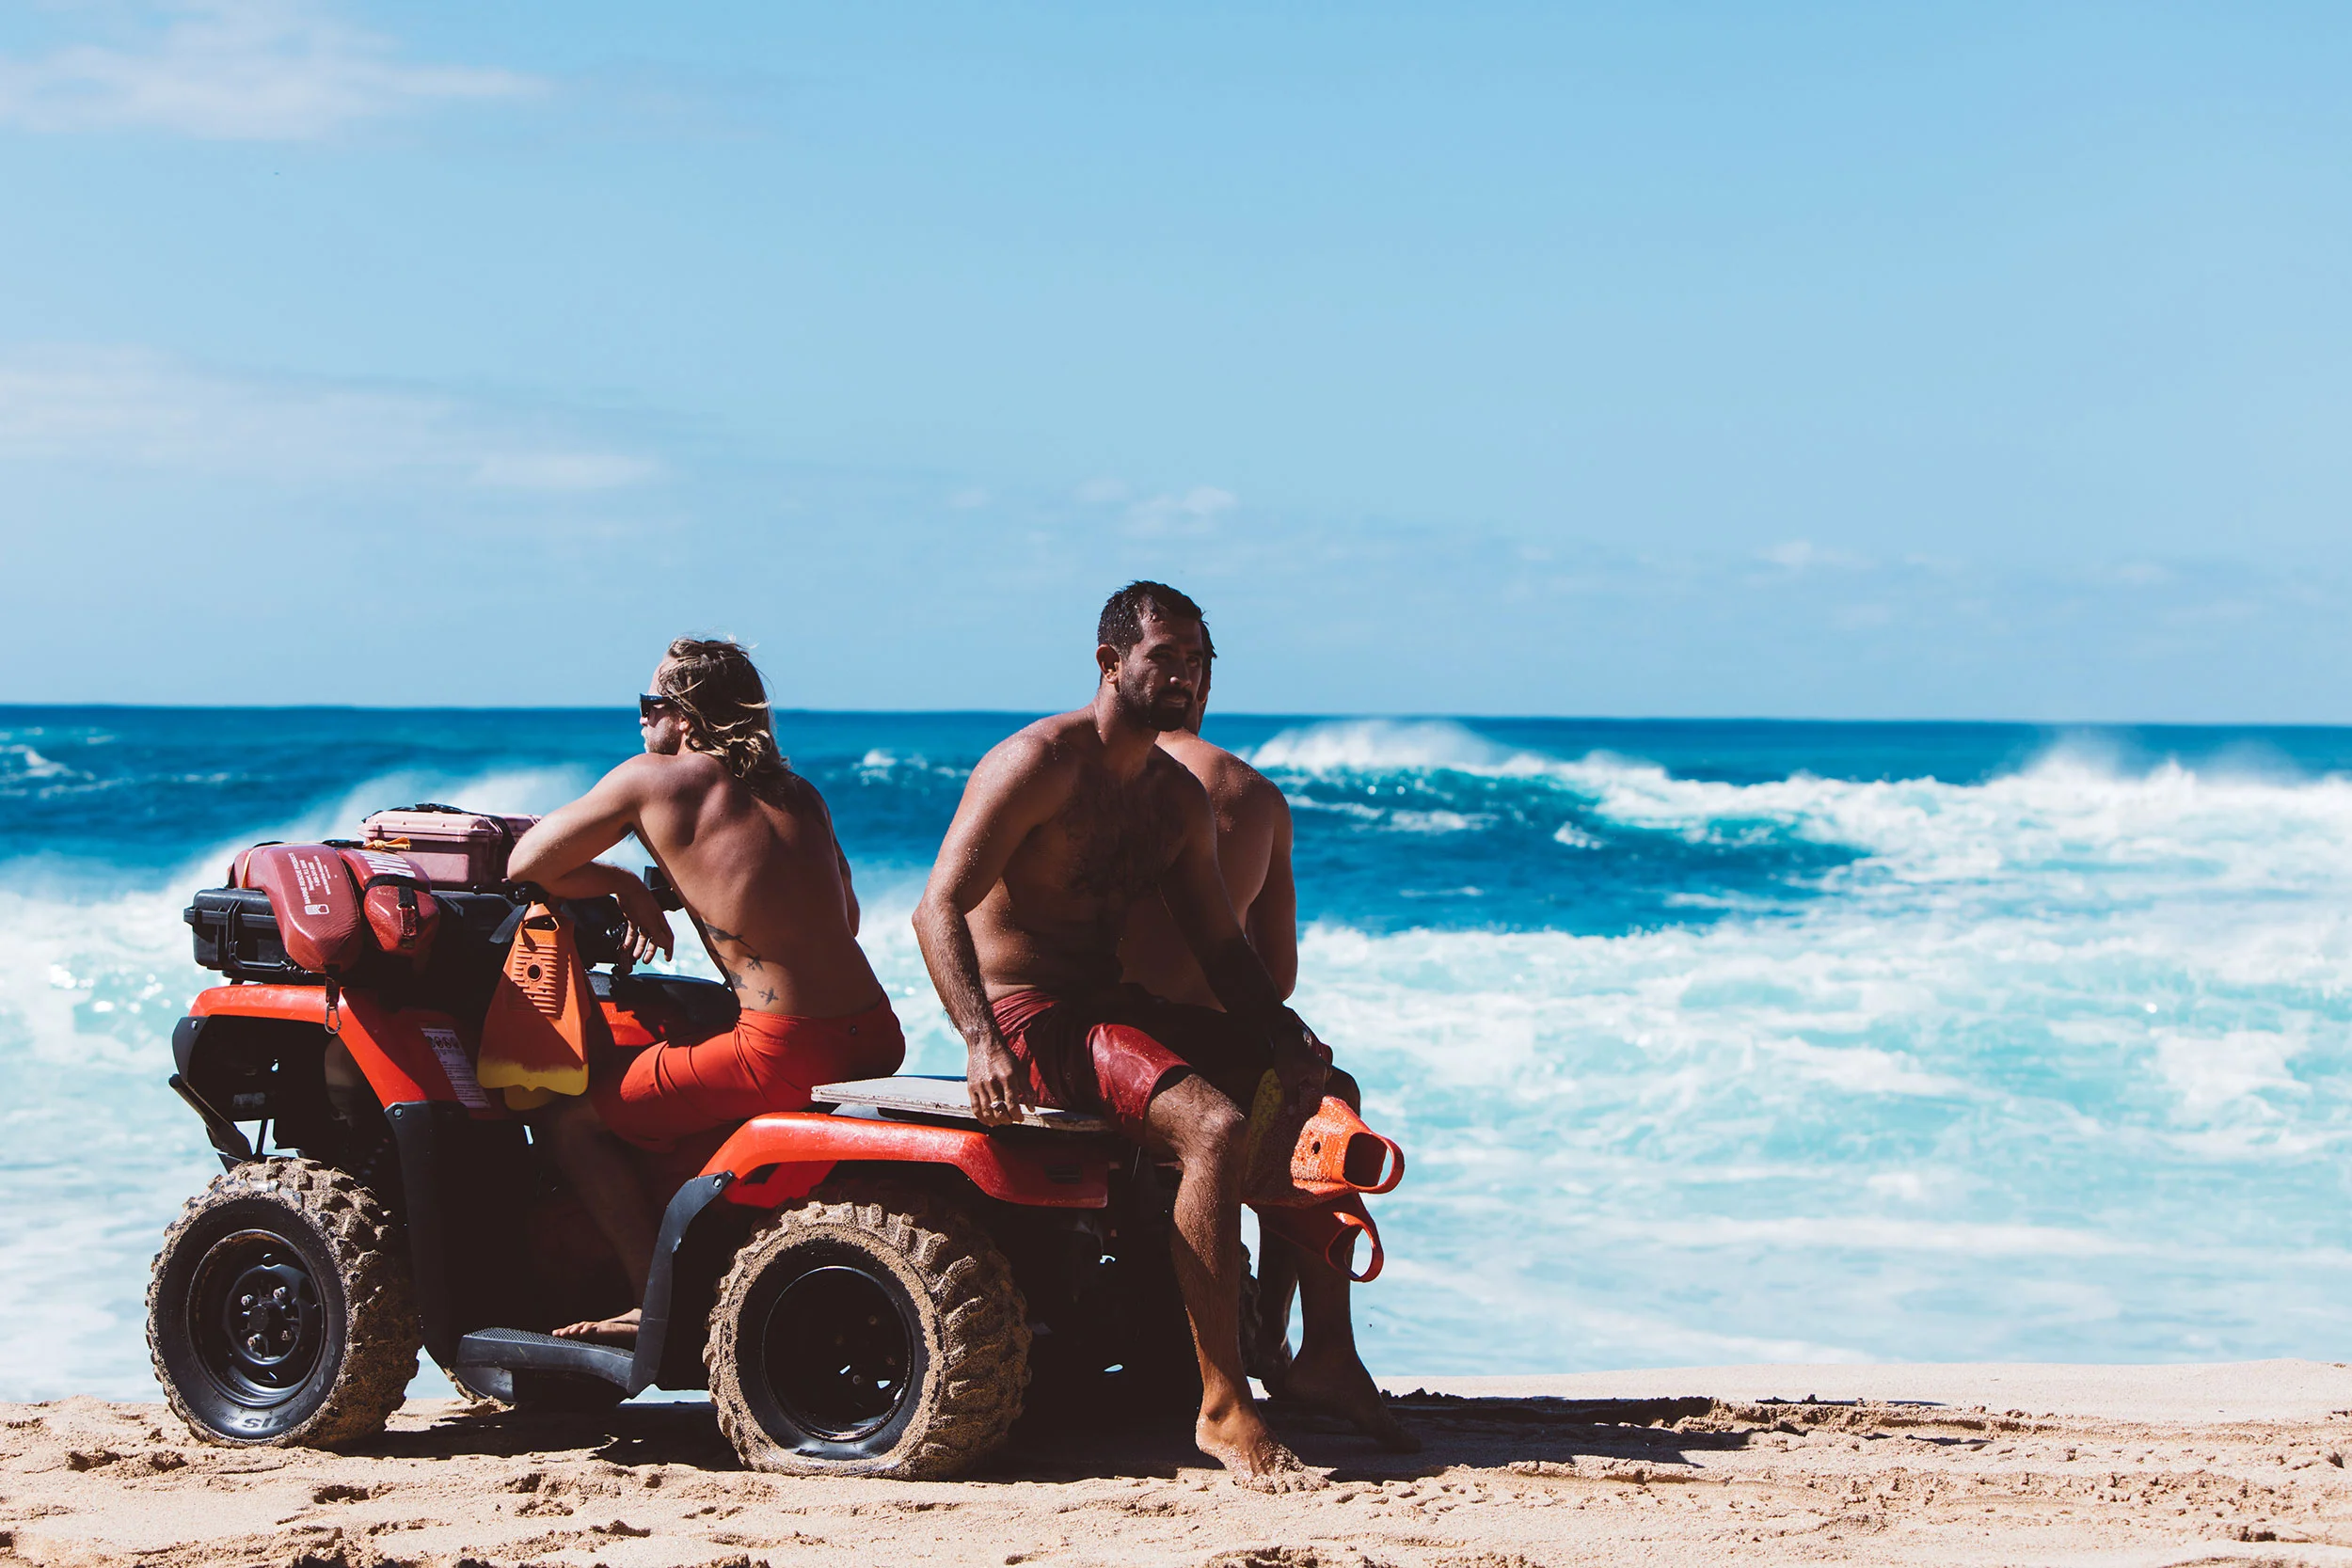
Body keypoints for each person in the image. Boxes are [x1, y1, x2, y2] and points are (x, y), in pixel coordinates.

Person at [913, 581, 1326, 1491]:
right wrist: (980, 1040)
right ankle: (1223, 1404)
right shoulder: (1038, 763)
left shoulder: (1173, 798)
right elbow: (936, 905)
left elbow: (1223, 948)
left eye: (1199, 662)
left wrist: (1284, 1037)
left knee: (1314, 1096)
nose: (1184, 677)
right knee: (1210, 1126)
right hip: (1029, 1020)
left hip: (1107, 1007)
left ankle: (1321, 1355)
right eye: (1165, 658)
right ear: (1110, 663)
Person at [508, 637, 903, 1347]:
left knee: (576, 1122)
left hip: (784, 1049)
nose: (640, 719)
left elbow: (526, 861)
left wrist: (624, 883)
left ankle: (645, 1303)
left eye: (649, 703)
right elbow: (845, 916)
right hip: (875, 1030)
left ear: (684, 716)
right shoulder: (800, 793)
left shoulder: (653, 780)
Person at [1117, 626, 1416, 1452]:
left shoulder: (1105, 783)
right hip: (1209, 1053)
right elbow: (1273, 975)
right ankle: (1312, 1341)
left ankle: (1284, 1349)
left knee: (1299, 1101)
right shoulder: (1254, 797)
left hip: (1115, 1048)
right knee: (1326, 1100)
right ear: (1203, 690)